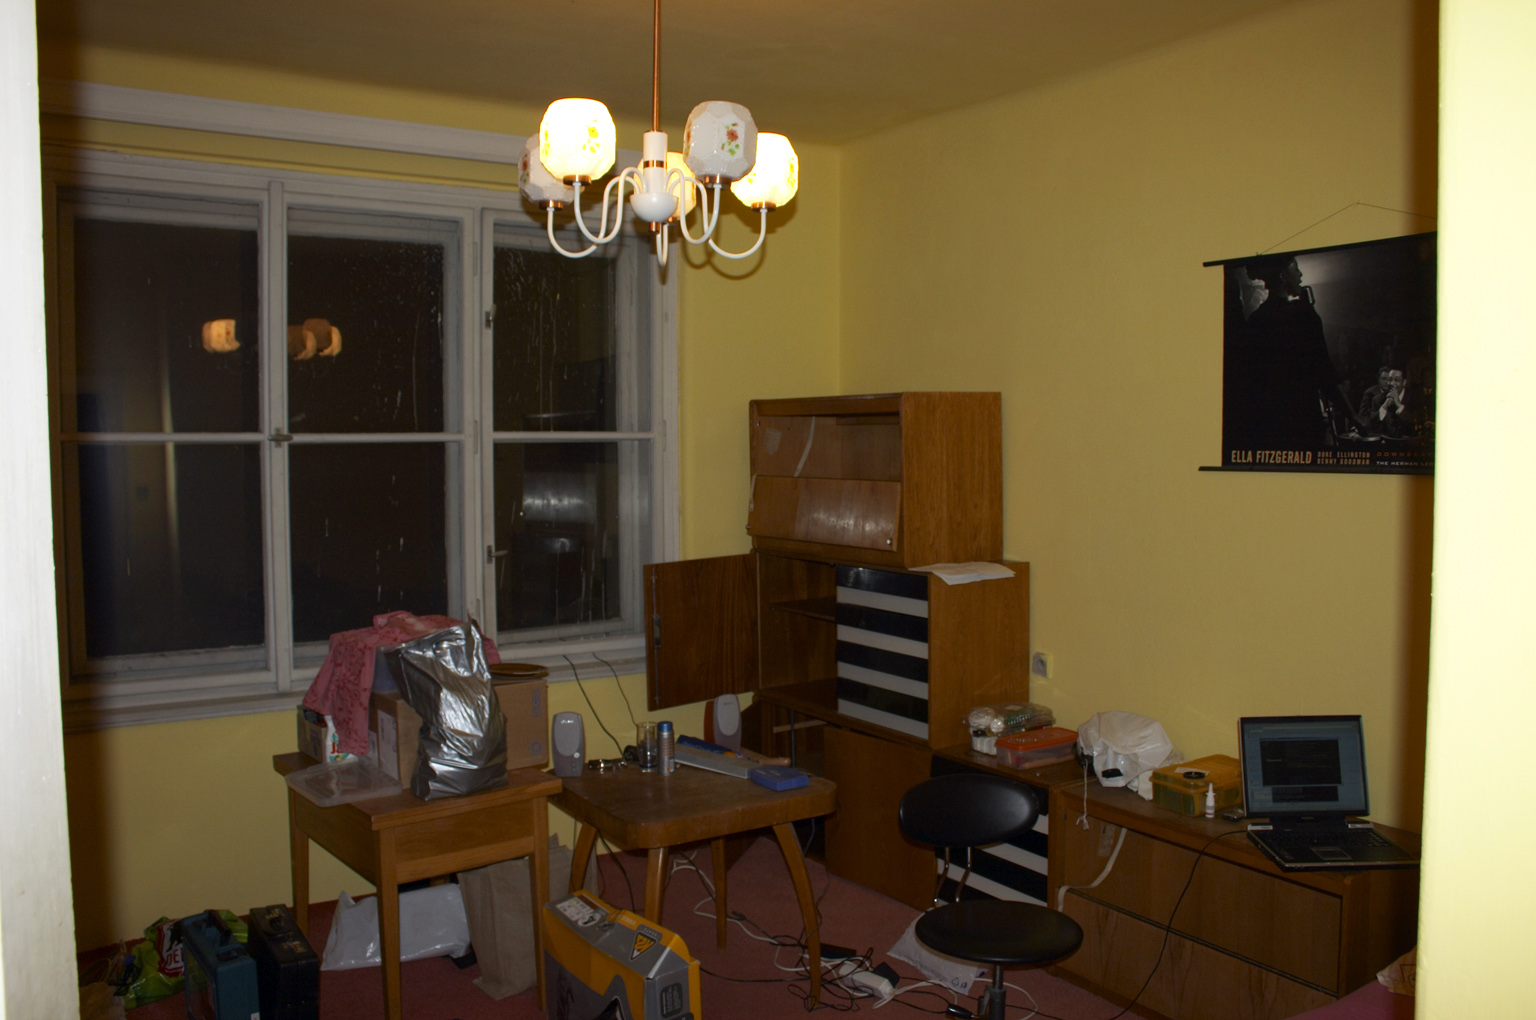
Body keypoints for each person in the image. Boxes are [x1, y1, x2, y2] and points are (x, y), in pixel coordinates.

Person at [1230, 255, 1353, 447]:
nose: (1300, 274)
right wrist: (1354, 418)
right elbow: (1324, 373)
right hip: (1304, 423)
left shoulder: (1256, 320)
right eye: (1295, 269)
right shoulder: (1303, 315)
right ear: (1283, 276)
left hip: (1272, 428)